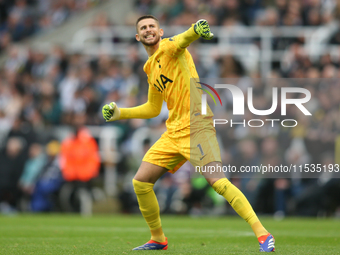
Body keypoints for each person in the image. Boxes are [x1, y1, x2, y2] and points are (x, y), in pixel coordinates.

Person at [102, 15, 275, 252]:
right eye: (143, 27)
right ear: (137, 36)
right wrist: (120, 113)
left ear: (160, 31)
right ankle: (158, 239)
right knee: (141, 182)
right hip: (173, 131)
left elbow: (184, 39)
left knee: (219, 183)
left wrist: (195, 29)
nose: (148, 29)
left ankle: (263, 234)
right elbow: (153, 108)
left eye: (152, 26)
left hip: (197, 126)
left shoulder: (170, 47)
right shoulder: (150, 67)